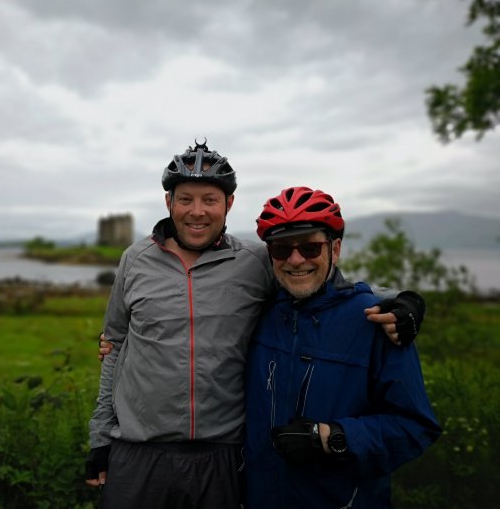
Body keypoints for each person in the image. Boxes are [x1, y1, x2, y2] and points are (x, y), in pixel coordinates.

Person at [86, 142, 424, 508]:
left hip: (221, 453)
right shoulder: (135, 260)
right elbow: (114, 346)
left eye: (210, 200)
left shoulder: (254, 260)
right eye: (185, 199)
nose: (197, 211)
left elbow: (324, 284)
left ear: (229, 204)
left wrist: (404, 300)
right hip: (138, 450)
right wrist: (100, 437)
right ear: (169, 202)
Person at [244, 186, 441, 508]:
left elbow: (414, 427)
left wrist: (330, 437)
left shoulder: (375, 321)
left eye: (310, 247)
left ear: (335, 249)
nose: (295, 260)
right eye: (281, 249)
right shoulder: (259, 313)